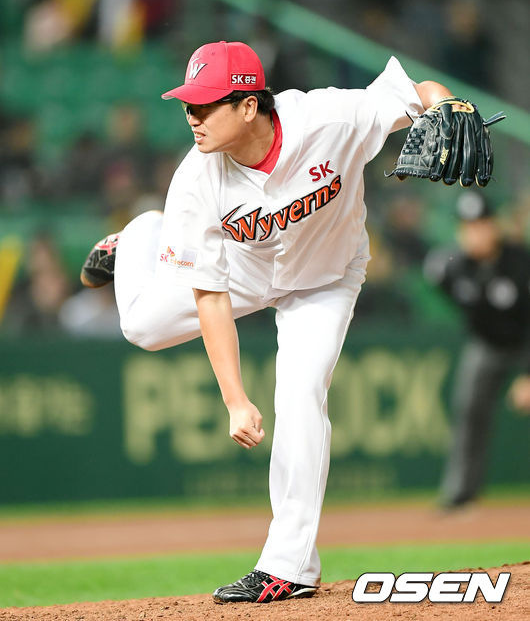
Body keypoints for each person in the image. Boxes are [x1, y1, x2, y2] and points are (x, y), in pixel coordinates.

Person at [80, 40, 461, 604]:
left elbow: (417, 92)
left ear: (248, 105)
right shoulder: (196, 179)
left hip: (326, 276)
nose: (192, 116)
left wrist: (446, 104)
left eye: (205, 104)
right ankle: (142, 235)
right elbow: (210, 298)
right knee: (141, 327)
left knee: (302, 393)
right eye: (188, 104)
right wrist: (235, 399)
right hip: (242, 271)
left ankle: (289, 566)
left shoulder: (330, 118)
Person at [424, 190, 530, 511]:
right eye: (468, 226)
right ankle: (461, 493)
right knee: (468, 410)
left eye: (481, 224)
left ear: (494, 226)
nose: (475, 233)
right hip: (486, 344)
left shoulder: (519, 261)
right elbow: (439, 276)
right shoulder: (453, 267)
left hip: (524, 342)